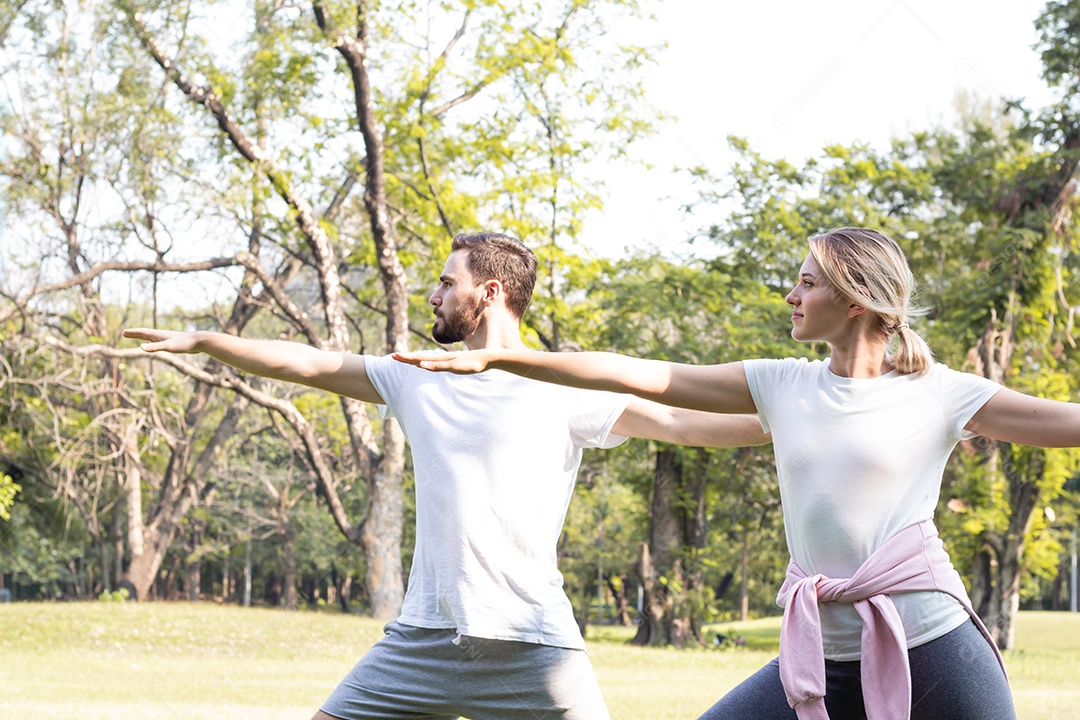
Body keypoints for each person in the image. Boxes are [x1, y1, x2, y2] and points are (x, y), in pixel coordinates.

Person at [392, 226, 1080, 720]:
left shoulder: (939, 392)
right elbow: (646, 375)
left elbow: (1066, 423)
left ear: (855, 300)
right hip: (819, 655)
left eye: (807, 283)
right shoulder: (782, 384)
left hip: (930, 649)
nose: (791, 295)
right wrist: (507, 359)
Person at [123, 231, 769, 720]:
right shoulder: (415, 374)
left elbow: (686, 425)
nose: (432, 296)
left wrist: (794, 418)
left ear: (488, 293)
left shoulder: (562, 387)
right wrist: (209, 342)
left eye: (444, 282)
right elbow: (308, 366)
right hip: (424, 640)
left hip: (531, 645)